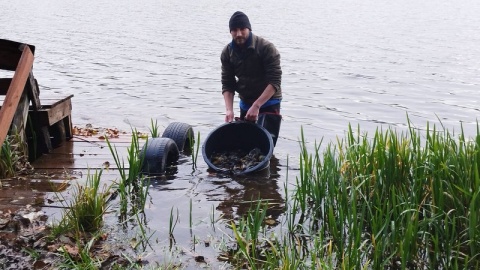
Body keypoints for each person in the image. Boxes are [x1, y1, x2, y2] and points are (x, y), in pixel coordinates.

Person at [221, 11, 282, 124]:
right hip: (246, 102)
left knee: (267, 140)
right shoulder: (227, 52)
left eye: (242, 29)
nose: (238, 33)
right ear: (230, 32)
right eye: (234, 30)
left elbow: (275, 81)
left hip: (269, 102)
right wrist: (229, 110)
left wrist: (257, 105)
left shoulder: (266, 48)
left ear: (249, 29)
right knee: (247, 141)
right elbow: (227, 83)